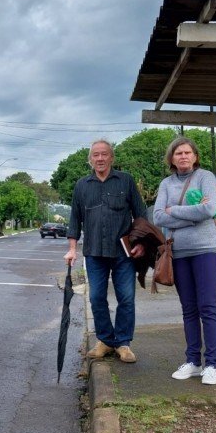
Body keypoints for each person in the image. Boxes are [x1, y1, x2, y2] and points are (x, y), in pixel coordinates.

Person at [65, 140, 146, 363]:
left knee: (126, 298)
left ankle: (123, 343)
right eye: (95, 155)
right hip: (94, 253)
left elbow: (140, 215)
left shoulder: (125, 181)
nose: (100, 159)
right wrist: (72, 249)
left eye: (104, 154)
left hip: (123, 252)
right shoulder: (82, 185)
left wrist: (141, 243)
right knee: (97, 297)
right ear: (90, 159)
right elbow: (75, 219)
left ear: (112, 157)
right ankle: (105, 340)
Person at [153, 137, 216, 385]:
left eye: (187, 152)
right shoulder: (166, 183)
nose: (183, 156)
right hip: (178, 253)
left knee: (208, 307)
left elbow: (210, 210)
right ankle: (193, 361)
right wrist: (193, 217)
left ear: (195, 156)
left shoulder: (206, 177)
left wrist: (175, 211)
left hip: (205, 250)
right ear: (171, 158)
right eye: (178, 153)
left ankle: (212, 364)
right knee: (189, 309)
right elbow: (159, 216)